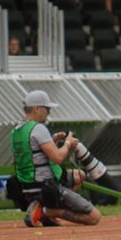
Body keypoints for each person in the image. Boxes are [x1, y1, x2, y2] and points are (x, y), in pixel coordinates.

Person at [12, 90, 100, 228]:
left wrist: (52, 140)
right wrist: (68, 143)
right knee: (94, 217)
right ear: (37, 109)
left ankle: (47, 209)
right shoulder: (38, 128)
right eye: (47, 108)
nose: (49, 112)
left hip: (27, 185)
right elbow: (58, 158)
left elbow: (32, 151)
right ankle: (47, 211)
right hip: (45, 185)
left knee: (78, 176)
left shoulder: (17, 129)